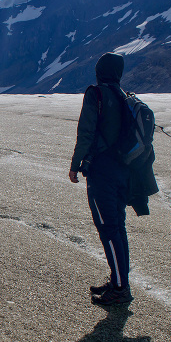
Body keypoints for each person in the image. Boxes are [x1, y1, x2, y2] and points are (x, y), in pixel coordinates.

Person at [68, 52, 137, 306]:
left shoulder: (96, 94)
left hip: (102, 172)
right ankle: (118, 280)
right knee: (117, 228)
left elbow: (85, 132)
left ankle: (120, 288)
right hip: (122, 171)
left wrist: (75, 165)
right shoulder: (123, 96)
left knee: (108, 230)